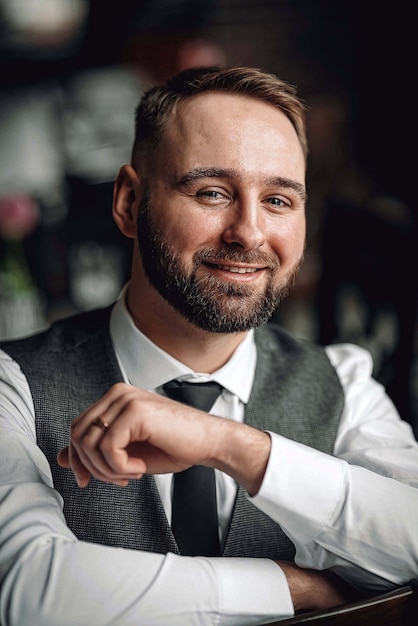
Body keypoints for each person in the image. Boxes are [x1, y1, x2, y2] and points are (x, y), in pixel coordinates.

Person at [0, 66, 417, 626]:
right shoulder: (12, 383)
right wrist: (292, 589)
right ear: (128, 202)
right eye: (212, 192)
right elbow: (23, 592)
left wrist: (235, 447)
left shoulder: (344, 381)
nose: (248, 232)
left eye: (278, 200)